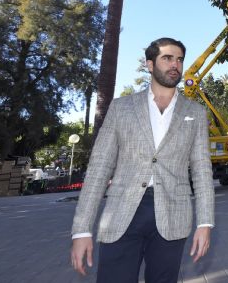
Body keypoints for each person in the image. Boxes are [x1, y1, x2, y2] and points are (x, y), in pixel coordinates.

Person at [70, 37, 215, 282]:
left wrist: (205, 223)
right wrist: (81, 230)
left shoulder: (196, 113)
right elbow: (99, 168)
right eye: (167, 58)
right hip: (122, 212)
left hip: (172, 214)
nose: (175, 65)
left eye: (179, 59)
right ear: (150, 64)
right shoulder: (121, 108)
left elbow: (202, 170)